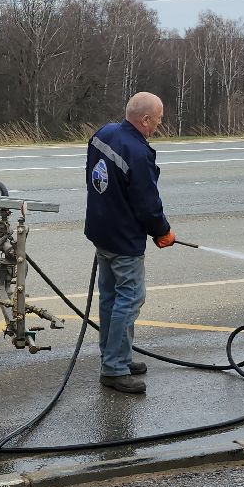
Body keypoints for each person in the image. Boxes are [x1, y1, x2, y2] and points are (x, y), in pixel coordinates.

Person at [83, 91, 177, 395]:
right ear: (145, 119)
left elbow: (92, 177)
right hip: (123, 239)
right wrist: (162, 230)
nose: (159, 125)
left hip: (101, 231)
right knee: (129, 299)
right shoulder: (137, 151)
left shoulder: (104, 134)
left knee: (110, 297)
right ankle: (114, 369)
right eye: (159, 119)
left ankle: (115, 356)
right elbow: (148, 204)